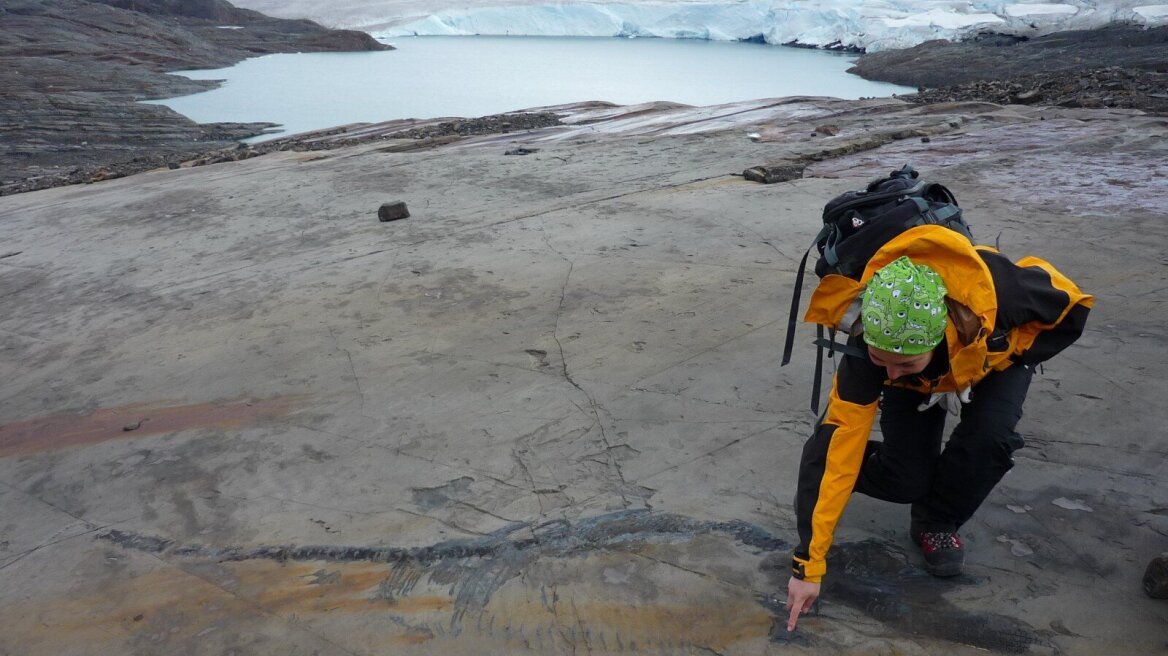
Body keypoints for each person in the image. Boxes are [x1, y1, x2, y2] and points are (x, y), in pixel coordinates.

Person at [785, 225, 1093, 631]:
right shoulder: (869, 353)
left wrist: (1017, 355)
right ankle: (842, 469)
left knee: (991, 438)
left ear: (938, 336)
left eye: (904, 363)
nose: (890, 374)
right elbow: (848, 429)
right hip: (928, 369)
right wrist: (808, 566)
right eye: (882, 360)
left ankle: (937, 520)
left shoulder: (1009, 294)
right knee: (897, 476)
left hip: (992, 353)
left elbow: (1073, 303)